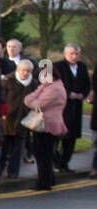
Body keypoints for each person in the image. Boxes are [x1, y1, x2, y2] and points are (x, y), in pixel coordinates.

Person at [24, 60, 68, 192]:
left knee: (43, 154)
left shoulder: (54, 89)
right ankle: (49, 179)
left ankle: (44, 182)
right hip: (48, 124)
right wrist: (40, 90)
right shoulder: (50, 86)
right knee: (46, 153)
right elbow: (33, 98)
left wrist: (32, 97)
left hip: (46, 125)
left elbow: (36, 103)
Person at [54, 43, 90, 172]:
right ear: (65, 54)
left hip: (76, 107)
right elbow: (54, 85)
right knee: (57, 136)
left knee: (72, 137)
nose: (74, 56)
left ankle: (65, 163)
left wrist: (83, 94)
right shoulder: (57, 66)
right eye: (72, 54)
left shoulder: (82, 67)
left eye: (77, 54)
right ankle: (56, 162)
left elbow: (87, 84)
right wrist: (69, 94)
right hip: (61, 107)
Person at [0, 59, 37, 179]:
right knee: (3, 146)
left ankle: (13, 172)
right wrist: (2, 113)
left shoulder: (33, 83)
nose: (25, 73)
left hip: (24, 119)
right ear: (18, 70)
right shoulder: (8, 80)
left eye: (28, 71)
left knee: (18, 147)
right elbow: (1, 97)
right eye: (23, 70)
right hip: (7, 118)